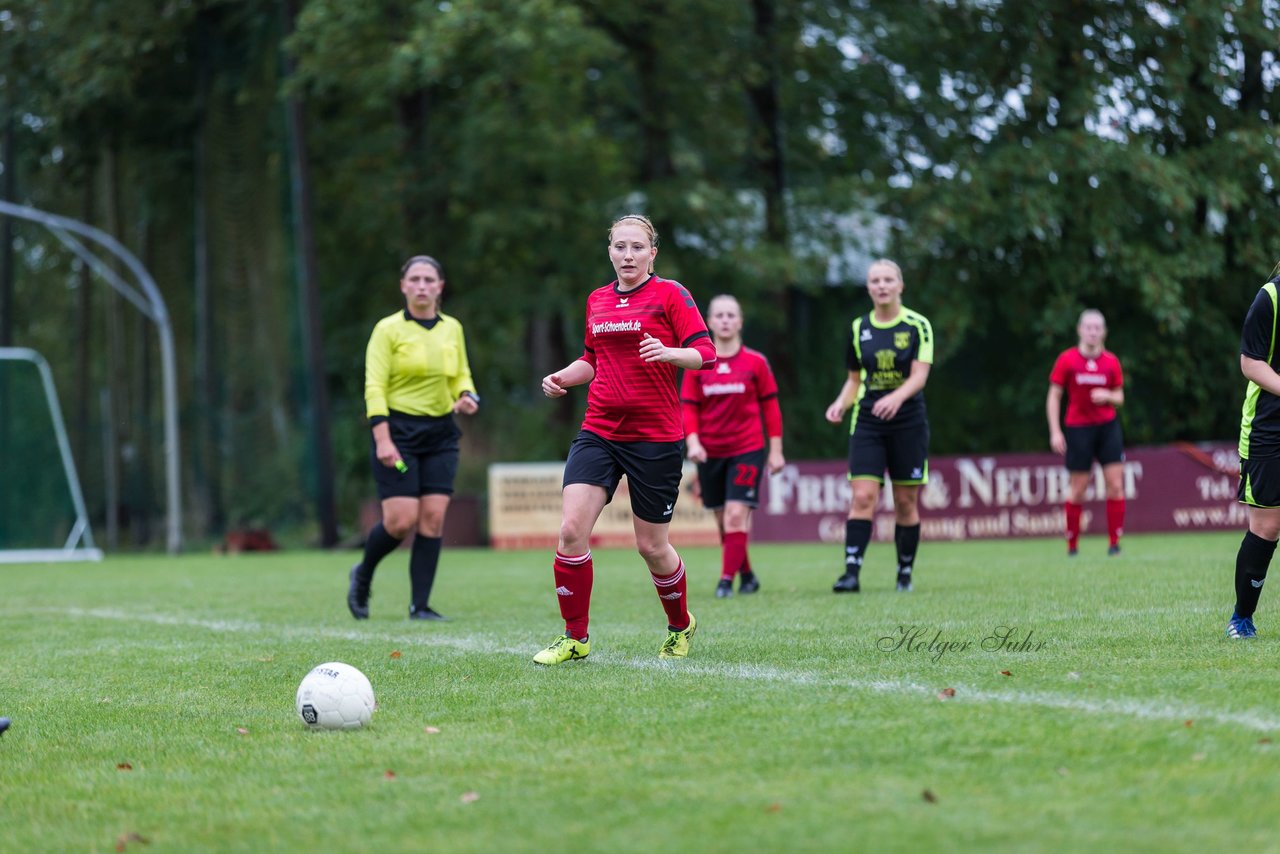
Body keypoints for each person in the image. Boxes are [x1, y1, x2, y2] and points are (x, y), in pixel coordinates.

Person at [533, 214, 717, 665]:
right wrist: (561, 377)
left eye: (637, 247)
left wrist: (669, 352)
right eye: (620, 247)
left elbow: (706, 354)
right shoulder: (597, 299)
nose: (628, 255)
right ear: (610, 251)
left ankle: (680, 625)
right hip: (599, 430)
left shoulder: (672, 294)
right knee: (571, 530)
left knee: (651, 546)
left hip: (654, 437)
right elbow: (592, 360)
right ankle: (575, 638)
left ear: (652, 252)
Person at [346, 255, 480, 621]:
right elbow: (374, 386)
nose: (422, 286)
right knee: (400, 521)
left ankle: (419, 606)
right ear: (403, 286)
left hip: (440, 432)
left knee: (433, 519)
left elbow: (461, 375)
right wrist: (383, 439)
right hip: (398, 432)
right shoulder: (387, 330)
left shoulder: (452, 327)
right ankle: (363, 573)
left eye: (429, 280)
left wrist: (468, 395)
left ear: (440, 287)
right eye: (415, 279)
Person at [825, 259, 933, 594]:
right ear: (869, 287)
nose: (882, 285)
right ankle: (851, 573)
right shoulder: (859, 328)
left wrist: (896, 398)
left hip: (908, 422)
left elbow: (920, 376)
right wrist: (840, 404)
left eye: (888, 279)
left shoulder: (918, 325)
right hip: (869, 420)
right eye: (875, 280)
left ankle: (904, 573)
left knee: (905, 502)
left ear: (900, 285)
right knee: (863, 496)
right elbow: (855, 380)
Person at [681, 294, 785, 598]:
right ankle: (748, 575)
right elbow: (688, 407)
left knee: (737, 515)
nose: (725, 320)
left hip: (747, 449)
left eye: (731, 315)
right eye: (719, 315)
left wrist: (776, 450)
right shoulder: (696, 363)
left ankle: (726, 581)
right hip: (710, 453)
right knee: (723, 521)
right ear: (710, 322)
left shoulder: (756, 362)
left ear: (739, 322)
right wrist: (694, 442)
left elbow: (771, 409)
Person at [1227, 263, 1280, 639]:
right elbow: (1250, 362)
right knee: (1267, 526)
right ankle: (1241, 619)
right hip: (1269, 427)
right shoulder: (1271, 297)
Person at [1046, 309, 1125, 557]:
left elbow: (1120, 396)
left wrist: (1108, 396)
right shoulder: (1067, 359)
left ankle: (1114, 544)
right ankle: (1072, 546)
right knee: (1078, 488)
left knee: (1115, 484)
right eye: (1088, 327)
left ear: (1103, 332)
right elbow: (1054, 396)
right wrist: (1055, 431)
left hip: (1107, 427)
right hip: (1078, 429)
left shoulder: (1111, 361)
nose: (1092, 332)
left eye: (1097, 327)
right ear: (1080, 330)